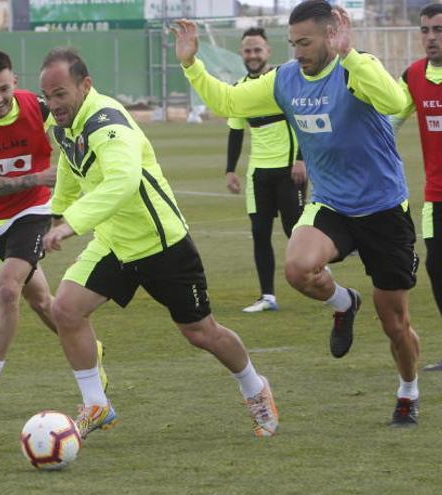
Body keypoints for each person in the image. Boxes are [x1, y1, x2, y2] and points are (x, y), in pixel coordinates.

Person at [175, 1, 421, 426]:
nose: (298, 52)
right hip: (331, 204)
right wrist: (191, 64)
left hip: (383, 209)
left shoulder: (355, 69)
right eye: (292, 43)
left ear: (330, 35)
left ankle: (408, 389)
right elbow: (232, 102)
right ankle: (344, 303)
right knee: (298, 268)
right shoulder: (285, 79)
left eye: (305, 43)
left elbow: (395, 99)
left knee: (395, 324)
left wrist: (352, 55)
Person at [39, 47, 278, 439]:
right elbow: (69, 161)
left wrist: (72, 224)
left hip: (160, 242)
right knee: (65, 309)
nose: (53, 104)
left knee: (202, 333)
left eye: (60, 94)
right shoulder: (64, 123)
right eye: (47, 96)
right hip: (115, 242)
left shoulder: (107, 123)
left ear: (85, 85)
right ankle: (96, 404)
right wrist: (59, 209)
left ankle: (255, 387)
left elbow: (123, 181)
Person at [0, 49, 109, 414]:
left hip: (35, 209)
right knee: (40, 302)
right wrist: (36, 176)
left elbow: (74, 135)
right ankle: (91, 351)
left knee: (7, 289)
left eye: (4, 88)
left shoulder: (39, 108)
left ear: (14, 81)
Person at [226, 27, 307, 313]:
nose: (252, 55)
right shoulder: (238, 90)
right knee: (260, 232)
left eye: (257, 50)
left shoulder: (282, 82)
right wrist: (229, 170)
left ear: (268, 52)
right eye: (248, 50)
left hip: (289, 171)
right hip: (258, 174)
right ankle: (268, 297)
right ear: (241, 54)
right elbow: (235, 133)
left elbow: (302, 122)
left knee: (294, 230)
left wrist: (301, 159)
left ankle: (320, 274)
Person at [391, 3, 442, 372]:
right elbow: (387, 121)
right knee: (437, 268)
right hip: (436, 197)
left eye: (438, 30)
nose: (431, 38)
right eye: (425, 30)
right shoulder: (413, 75)